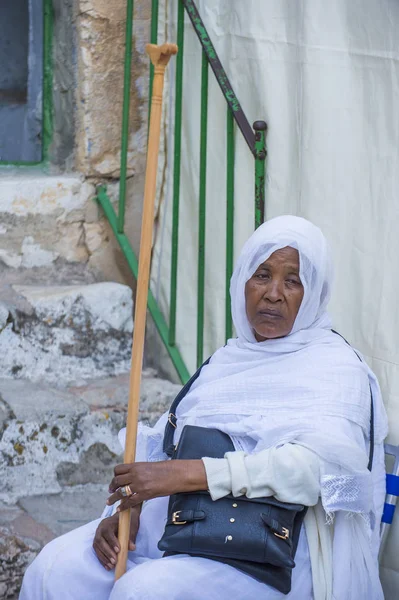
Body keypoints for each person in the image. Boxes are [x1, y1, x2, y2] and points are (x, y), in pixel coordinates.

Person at [20, 216, 388, 600]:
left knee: (143, 592)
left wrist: (189, 475)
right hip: (184, 524)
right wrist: (127, 515)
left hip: (278, 554)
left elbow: (317, 474)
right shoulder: (224, 363)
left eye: (293, 281)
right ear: (242, 281)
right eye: (262, 275)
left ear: (314, 293)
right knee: (54, 569)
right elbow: (168, 449)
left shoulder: (337, 368)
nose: (274, 293)